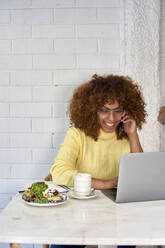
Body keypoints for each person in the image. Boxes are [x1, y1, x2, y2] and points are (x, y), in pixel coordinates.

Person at [50, 74, 146, 248]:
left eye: (118, 110)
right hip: (79, 210)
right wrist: (107, 183)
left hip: (116, 211)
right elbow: (59, 173)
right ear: (91, 110)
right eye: (104, 110)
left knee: (129, 238)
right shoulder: (77, 134)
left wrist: (133, 134)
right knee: (63, 242)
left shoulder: (125, 134)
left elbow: (141, 175)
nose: (111, 118)